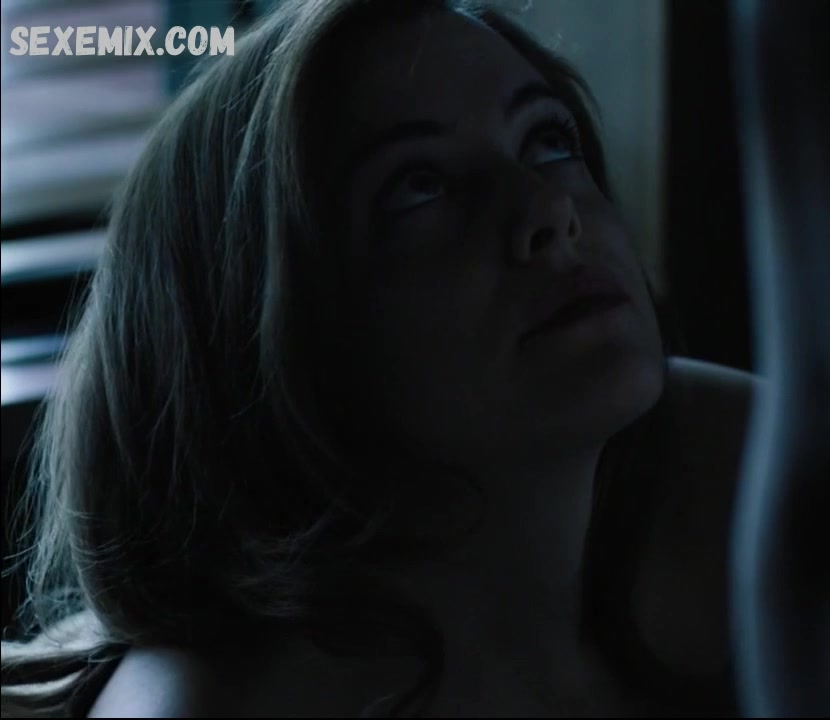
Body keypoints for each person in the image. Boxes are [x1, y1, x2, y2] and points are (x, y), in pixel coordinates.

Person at [0, 1, 755, 717]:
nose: (549, 210)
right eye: (419, 187)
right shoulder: (219, 703)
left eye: (549, 139)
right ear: (265, 337)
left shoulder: (708, 455)